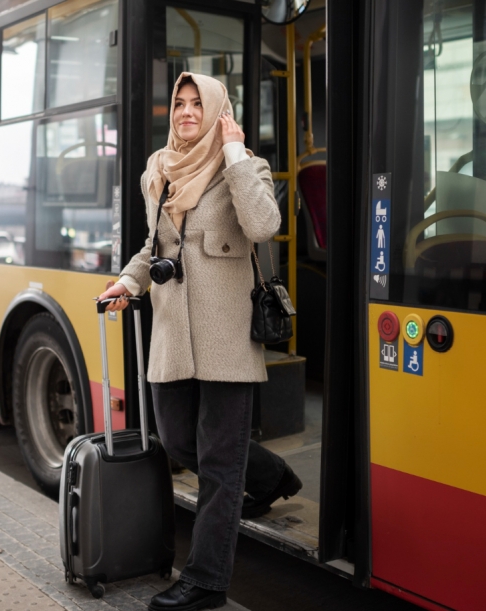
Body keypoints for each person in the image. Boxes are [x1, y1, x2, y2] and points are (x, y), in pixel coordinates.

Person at [98, 72, 302, 611]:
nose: (187, 113)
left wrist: (233, 151)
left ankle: (206, 582)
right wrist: (129, 281)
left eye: (198, 104)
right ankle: (271, 474)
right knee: (183, 444)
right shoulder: (159, 171)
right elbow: (152, 246)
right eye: (180, 104)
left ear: (217, 110)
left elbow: (263, 225)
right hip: (171, 335)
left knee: (216, 463)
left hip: (227, 338)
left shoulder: (245, 164)